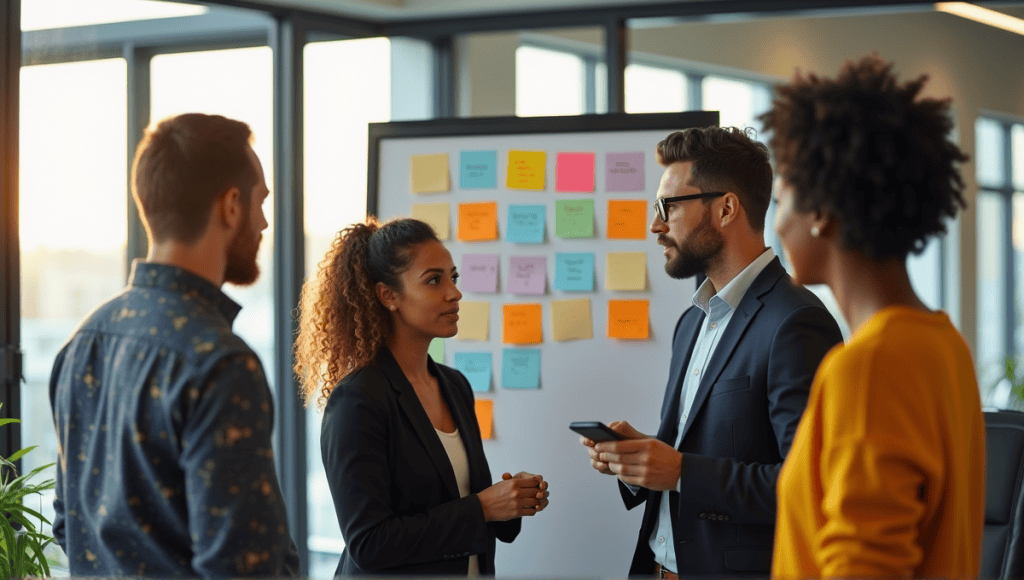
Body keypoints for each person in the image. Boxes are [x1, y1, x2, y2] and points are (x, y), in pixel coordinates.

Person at [581, 126, 843, 577]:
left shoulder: (796, 322)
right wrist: (641, 460)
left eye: (669, 206)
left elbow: (812, 487)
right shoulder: (692, 322)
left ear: (725, 208)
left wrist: (681, 471)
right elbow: (699, 448)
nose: (655, 225)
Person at [760, 55, 984, 577]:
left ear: (819, 212)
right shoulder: (943, 345)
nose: (778, 221)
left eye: (781, 198)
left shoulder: (871, 365)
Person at [48, 113, 298, 577]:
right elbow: (242, 568)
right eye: (260, 202)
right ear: (230, 206)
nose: (264, 222)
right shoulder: (218, 362)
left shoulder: (82, 342)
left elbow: (70, 526)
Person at [294, 217, 549, 577]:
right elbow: (369, 544)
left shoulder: (454, 385)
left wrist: (511, 500)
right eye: (434, 280)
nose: (454, 292)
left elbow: (461, 502)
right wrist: (483, 508)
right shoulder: (357, 400)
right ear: (388, 296)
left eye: (453, 277)